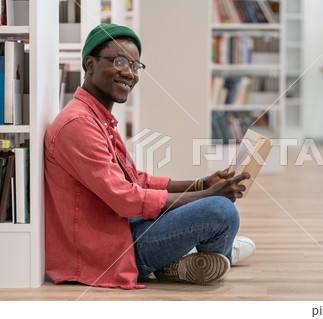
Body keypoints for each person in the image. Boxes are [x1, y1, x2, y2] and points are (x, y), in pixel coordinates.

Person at [44, 24, 255, 289]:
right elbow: (126, 199)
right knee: (222, 211)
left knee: (218, 210)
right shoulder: (77, 124)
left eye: (135, 66)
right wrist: (208, 196)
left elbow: (137, 180)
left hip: (126, 228)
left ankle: (189, 256)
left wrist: (202, 184)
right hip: (113, 252)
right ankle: (201, 253)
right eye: (120, 61)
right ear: (90, 64)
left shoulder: (97, 118)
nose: (129, 73)